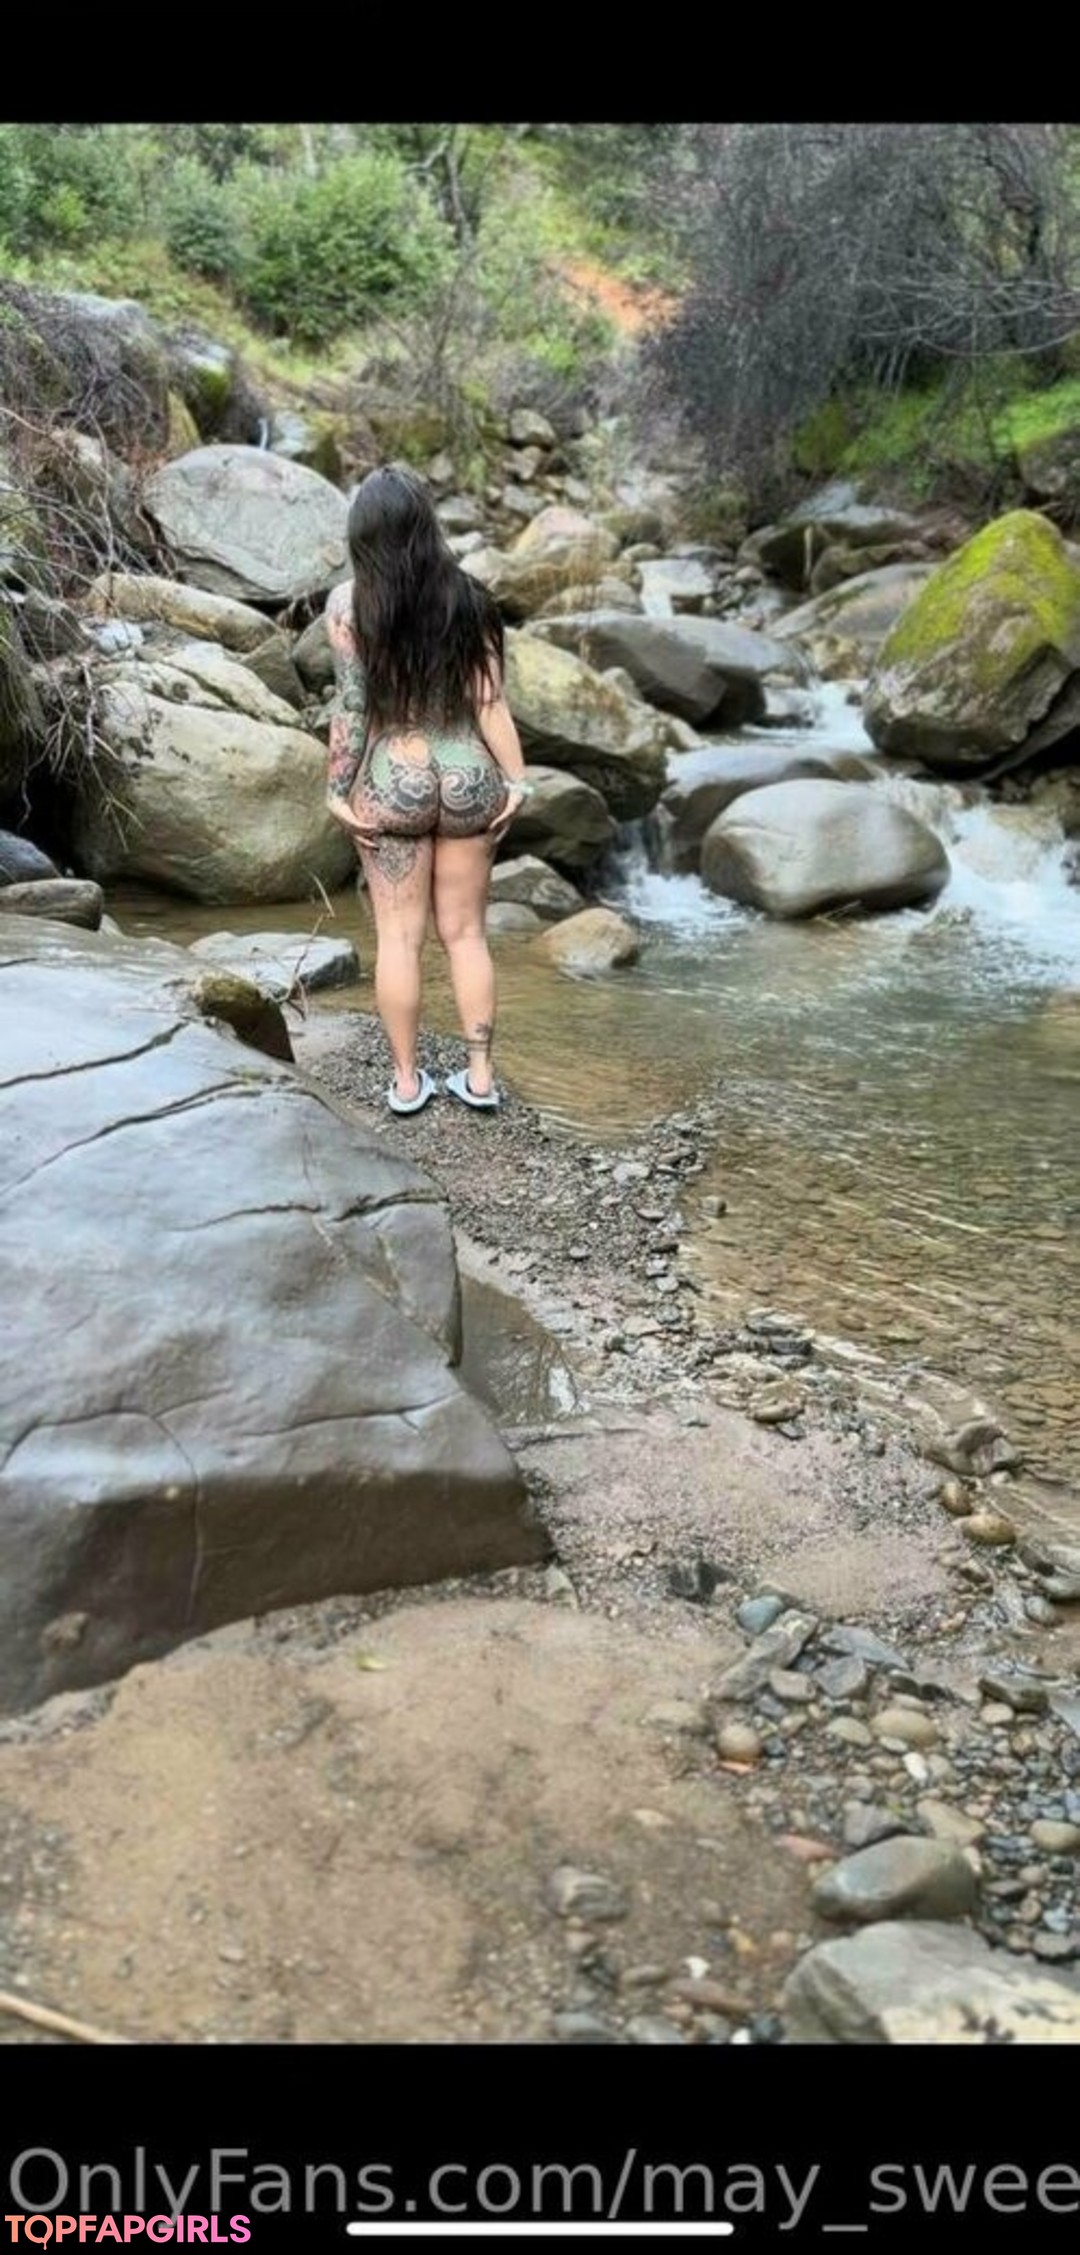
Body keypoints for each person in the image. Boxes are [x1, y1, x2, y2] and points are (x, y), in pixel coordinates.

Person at [324, 464, 534, 1116]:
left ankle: (408, 1083)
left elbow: (354, 708)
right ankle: (480, 1078)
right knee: (466, 935)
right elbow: (489, 703)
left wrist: (337, 790)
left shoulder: (349, 605)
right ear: (426, 525)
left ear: (363, 535)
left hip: (396, 778)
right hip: (468, 771)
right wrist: (518, 781)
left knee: (399, 938)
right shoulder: (472, 600)